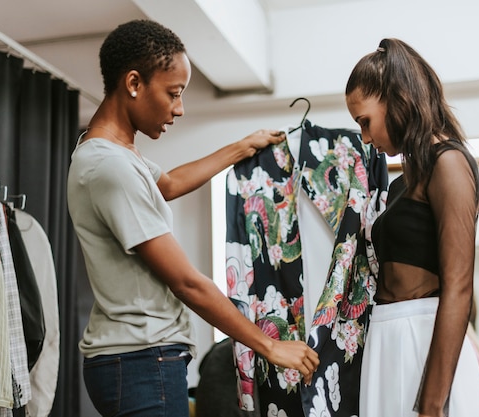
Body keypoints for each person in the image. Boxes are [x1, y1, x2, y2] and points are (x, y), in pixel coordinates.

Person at [66, 19, 319, 417]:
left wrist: (240, 147)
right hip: (141, 360)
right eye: (173, 93)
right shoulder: (108, 166)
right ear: (133, 83)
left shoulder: (111, 155)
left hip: (135, 359)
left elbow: (167, 183)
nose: (179, 109)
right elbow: (186, 282)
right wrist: (269, 345)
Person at [345, 38, 479, 416]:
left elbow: (459, 286)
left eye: (365, 122)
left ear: (396, 98)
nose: (367, 138)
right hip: (388, 339)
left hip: (423, 341)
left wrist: (432, 403)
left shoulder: (449, 162)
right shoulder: (402, 182)